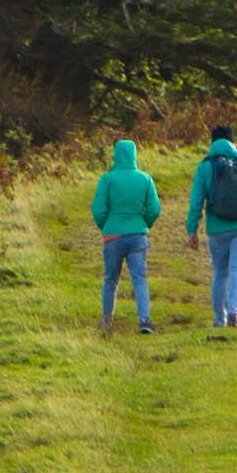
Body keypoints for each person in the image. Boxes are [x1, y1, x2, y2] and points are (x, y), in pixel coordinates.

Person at [184, 124, 237, 330]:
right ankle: (235, 314)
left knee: (220, 273)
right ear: (233, 141)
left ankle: (220, 318)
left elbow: (196, 201)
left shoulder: (205, 166)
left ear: (212, 142)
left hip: (217, 228)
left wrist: (192, 230)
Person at [89, 138, 162, 332]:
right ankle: (144, 320)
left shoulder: (107, 179)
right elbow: (154, 209)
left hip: (113, 236)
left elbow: (98, 210)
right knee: (140, 278)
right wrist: (144, 223)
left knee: (111, 279)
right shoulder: (145, 179)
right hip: (138, 235)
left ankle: (107, 321)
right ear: (134, 155)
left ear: (115, 155)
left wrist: (106, 226)